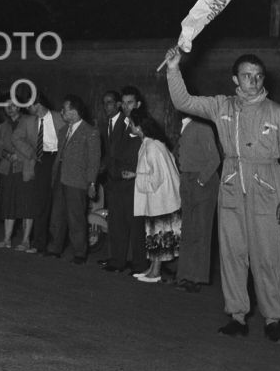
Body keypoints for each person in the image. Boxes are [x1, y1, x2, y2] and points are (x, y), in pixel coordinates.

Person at [164, 48, 280, 343]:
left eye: (258, 76)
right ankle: (237, 316)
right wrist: (173, 69)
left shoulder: (279, 114)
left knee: (268, 257)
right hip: (231, 186)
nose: (254, 81)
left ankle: (273, 319)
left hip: (268, 187)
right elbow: (183, 101)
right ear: (235, 79)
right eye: (247, 76)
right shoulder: (221, 106)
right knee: (232, 255)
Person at [44, 94, 100, 264]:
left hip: (77, 180)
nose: (61, 112)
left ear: (74, 112)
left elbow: (94, 160)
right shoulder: (63, 131)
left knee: (76, 217)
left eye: (64, 109)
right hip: (60, 176)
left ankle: (79, 252)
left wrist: (91, 182)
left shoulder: (90, 132)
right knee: (56, 215)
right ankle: (54, 248)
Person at [99, 85, 148, 274]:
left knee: (136, 226)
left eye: (130, 103)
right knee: (117, 223)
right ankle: (118, 261)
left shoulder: (143, 124)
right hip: (116, 181)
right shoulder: (121, 123)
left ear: (138, 104)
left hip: (134, 181)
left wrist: (136, 173)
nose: (127, 107)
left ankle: (139, 264)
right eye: (125, 103)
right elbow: (112, 153)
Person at [130, 114, 182, 283]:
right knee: (154, 234)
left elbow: (156, 177)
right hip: (157, 199)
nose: (130, 126)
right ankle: (152, 269)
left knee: (158, 234)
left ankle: (156, 272)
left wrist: (137, 177)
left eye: (131, 123)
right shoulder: (151, 144)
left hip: (160, 199)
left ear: (139, 127)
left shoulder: (152, 146)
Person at [173, 113, 221, 292]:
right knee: (187, 231)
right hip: (187, 180)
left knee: (201, 232)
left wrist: (201, 180)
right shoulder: (182, 126)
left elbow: (215, 159)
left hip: (202, 182)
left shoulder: (202, 127)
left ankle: (196, 278)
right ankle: (184, 275)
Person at [25, 88, 66, 254]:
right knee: (40, 202)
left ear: (38, 104)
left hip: (60, 159)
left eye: (29, 105)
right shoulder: (29, 121)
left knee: (58, 203)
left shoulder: (59, 117)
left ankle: (56, 245)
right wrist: (31, 152)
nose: (27, 108)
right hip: (42, 159)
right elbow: (16, 138)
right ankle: (39, 243)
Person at [0, 102, 37, 250]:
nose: (9, 109)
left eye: (13, 105)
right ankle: (7, 240)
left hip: (25, 168)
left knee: (27, 204)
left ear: (19, 106)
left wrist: (18, 155)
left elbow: (35, 145)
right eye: (6, 106)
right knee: (8, 204)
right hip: (7, 169)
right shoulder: (2, 126)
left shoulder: (30, 122)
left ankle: (26, 240)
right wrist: (6, 154)